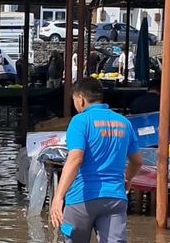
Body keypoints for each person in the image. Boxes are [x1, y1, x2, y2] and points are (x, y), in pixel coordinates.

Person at [50, 78, 142, 243]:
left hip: (82, 198)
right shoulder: (124, 123)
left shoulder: (80, 121)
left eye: (74, 100)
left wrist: (59, 196)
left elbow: (75, 159)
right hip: (115, 198)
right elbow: (137, 161)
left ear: (81, 99)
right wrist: (127, 179)